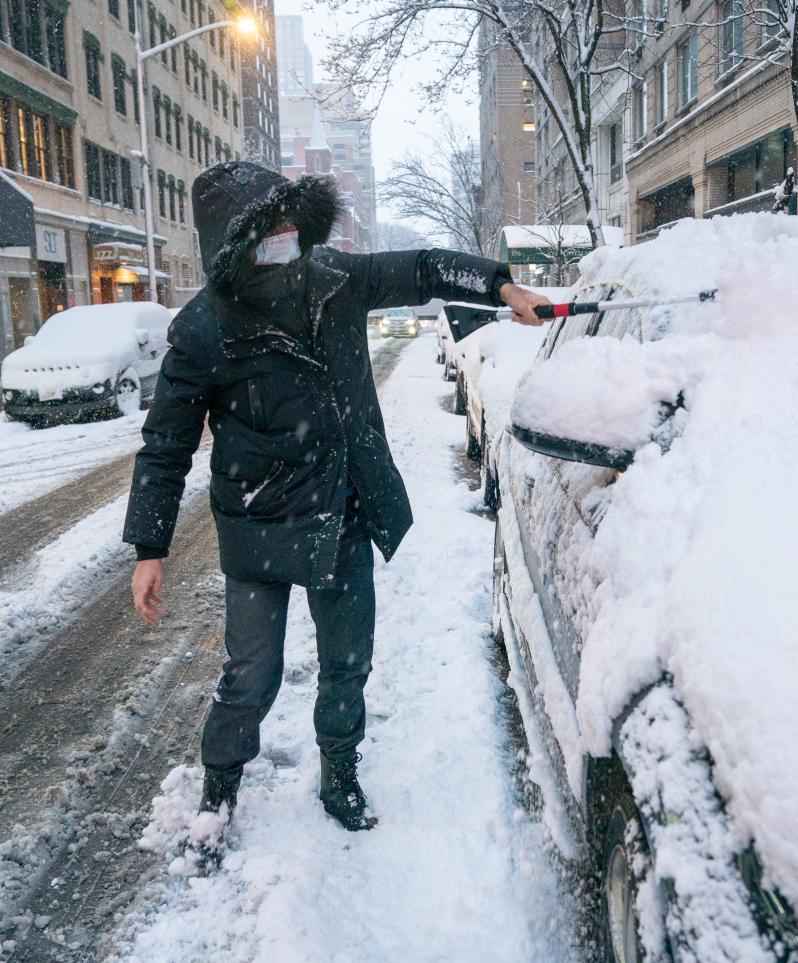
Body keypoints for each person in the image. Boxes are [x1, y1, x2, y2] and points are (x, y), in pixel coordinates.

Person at [123, 162, 548, 843]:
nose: (289, 242)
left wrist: (500, 283)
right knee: (251, 676)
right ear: (238, 245)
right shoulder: (204, 328)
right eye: (272, 232)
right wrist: (150, 547)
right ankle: (220, 786)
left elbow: (425, 267)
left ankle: (339, 771)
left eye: (295, 228)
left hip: (343, 506)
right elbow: (165, 445)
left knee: (348, 661)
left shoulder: (336, 283)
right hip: (256, 520)